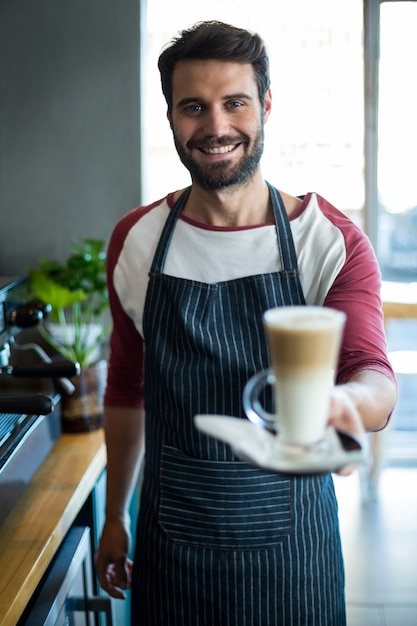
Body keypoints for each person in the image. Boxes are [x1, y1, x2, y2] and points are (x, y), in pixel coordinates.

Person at [94, 20, 397, 626]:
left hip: (294, 557)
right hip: (168, 547)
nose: (215, 127)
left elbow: (375, 379)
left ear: (265, 105)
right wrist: (116, 515)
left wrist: (343, 400)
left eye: (234, 103)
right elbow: (128, 387)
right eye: (193, 107)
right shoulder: (137, 240)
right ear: (171, 117)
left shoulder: (329, 243)